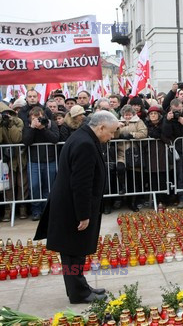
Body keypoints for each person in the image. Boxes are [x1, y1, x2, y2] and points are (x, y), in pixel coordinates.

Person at [34, 111, 119, 304]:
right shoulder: (85, 144)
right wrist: (83, 215)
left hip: (69, 204)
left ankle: (80, 287)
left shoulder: (83, 137)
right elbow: (81, 184)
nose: (111, 137)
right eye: (111, 132)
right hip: (72, 208)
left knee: (76, 252)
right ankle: (78, 293)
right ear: (101, 127)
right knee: (73, 253)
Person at [22, 106, 60, 221]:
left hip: (50, 161)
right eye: (34, 118)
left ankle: (46, 211)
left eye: (39, 118)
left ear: (43, 116)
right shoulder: (28, 126)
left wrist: (43, 128)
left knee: (48, 187)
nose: (37, 120)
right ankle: (36, 211)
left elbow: (55, 139)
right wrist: (33, 128)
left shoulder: (51, 124)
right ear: (30, 118)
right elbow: (26, 141)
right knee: (34, 186)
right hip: (34, 162)